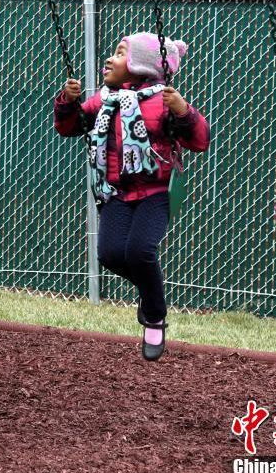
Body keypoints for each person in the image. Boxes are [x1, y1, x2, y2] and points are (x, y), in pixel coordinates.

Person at [53, 32, 210, 361]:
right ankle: (149, 290)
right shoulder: (105, 99)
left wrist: (183, 111)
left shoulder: (164, 101)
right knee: (111, 254)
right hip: (117, 191)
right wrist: (67, 102)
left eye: (120, 53)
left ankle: (154, 315)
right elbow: (70, 127)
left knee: (140, 252)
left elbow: (199, 141)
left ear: (141, 66)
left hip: (156, 191)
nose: (110, 59)